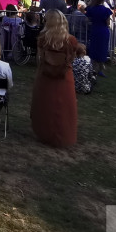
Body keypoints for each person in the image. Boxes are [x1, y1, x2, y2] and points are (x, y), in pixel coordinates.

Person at [31, 10, 80, 148]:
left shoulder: (43, 38)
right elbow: (72, 58)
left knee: (44, 104)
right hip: (64, 76)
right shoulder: (71, 40)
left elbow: (39, 57)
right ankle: (64, 135)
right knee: (64, 107)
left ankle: (44, 133)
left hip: (45, 74)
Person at [84, 0, 113, 77]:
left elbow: (87, 20)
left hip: (95, 29)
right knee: (102, 49)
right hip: (103, 30)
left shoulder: (91, 9)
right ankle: (100, 69)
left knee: (94, 48)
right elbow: (108, 23)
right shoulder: (106, 10)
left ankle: (93, 68)